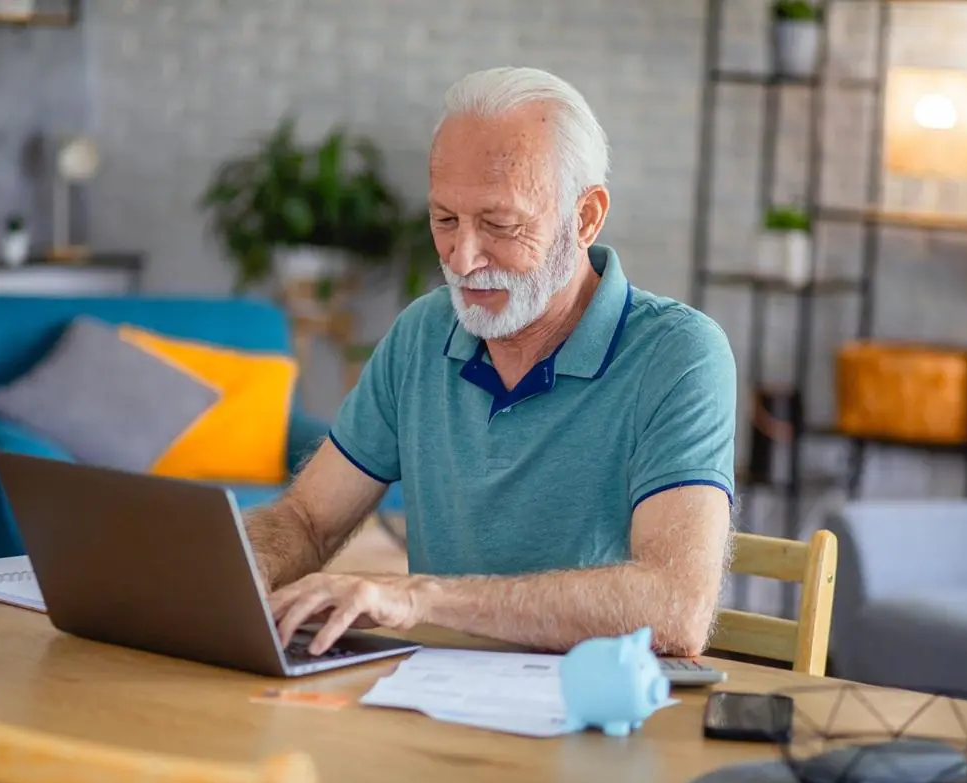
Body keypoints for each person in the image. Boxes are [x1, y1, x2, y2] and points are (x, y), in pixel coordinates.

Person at [245, 66, 737, 658]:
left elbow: (674, 608)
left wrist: (419, 598)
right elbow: (306, 519)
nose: (464, 257)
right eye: (444, 220)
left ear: (585, 218)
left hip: (598, 719)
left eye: (501, 224)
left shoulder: (679, 355)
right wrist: (226, 570)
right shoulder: (422, 334)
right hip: (433, 706)